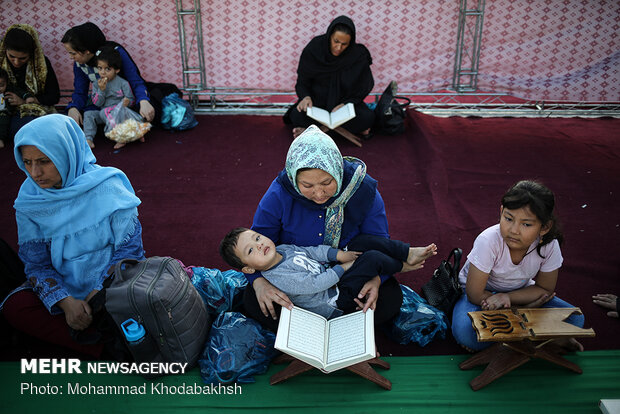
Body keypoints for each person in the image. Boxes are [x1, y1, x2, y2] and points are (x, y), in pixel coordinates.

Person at [244, 124, 436, 331]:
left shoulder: (361, 189)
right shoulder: (279, 194)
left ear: (337, 171)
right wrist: (258, 282)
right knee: (255, 302)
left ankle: (317, 325)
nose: (319, 194)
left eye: (327, 182)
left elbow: (378, 239)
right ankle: (342, 325)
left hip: (352, 267)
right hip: (296, 277)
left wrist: (376, 280)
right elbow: (258, 240)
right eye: (307, 186)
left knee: (388, 301)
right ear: (293, 177)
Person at [0, 114, 145, 358]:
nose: (35, 172)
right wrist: (66, 302)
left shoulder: (109, 186)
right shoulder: (29, 200)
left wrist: (98, 293)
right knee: (15, 307)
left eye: (44, 161)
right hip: (64, 288)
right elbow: (36, 264)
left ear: (66, 152)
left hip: (112, 285)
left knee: (136, 300)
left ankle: (89, 341)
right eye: (27, 162)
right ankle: (106, 347)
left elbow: (130, 252)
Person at [451, 180, 585, 352]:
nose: (514, 230)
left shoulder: (549, 245)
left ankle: (503, 338)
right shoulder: (488, 241)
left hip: (519, 294)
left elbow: (545, 289)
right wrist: (517, 308)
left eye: (526, 224)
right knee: (466, 333)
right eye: (508, 218)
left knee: (575, 319)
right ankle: (535, 334)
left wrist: (508, 299)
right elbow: (474, 294)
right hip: (483, 298)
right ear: (501, 212)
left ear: (544, 227)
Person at [221, 228, 435, 319]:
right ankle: (401, 266)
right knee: (371, 259)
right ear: (248, 269)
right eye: (250, 250)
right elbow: (316, 284)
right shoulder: (278, 277)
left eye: (257, 238)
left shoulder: (282, 249)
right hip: (334, 298)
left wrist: (338, 254)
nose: (259, 245)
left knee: (361, 243)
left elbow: (312, 251)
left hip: (333, 277)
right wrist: (344, 267)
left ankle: (406, 251)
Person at [283, 16, 375, 139]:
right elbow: (302, 81)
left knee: (367, 117)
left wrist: (346, 103)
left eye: (344, 44)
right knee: (297, 114)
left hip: (343, 107)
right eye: (336, 41)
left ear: (351, 42)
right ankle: (342, 132)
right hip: (316, 104)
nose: (338, 48)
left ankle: (311, 132)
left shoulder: (358, 55)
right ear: (329, 36)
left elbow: (364, 86)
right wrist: (305, 97)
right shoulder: (314, 49)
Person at [61, 22, 155, 137]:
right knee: (80, 116)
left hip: (125, 101)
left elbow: (135, 81)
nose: (71, 57)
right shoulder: (80, 64)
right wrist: (74, 107)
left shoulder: (115, 53)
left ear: (87, 51)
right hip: (103, 101)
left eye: (73, 53)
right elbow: (80, 91)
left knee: (147, 112)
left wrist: (143, 100)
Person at [0, 24, 60, 147]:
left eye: (22, 58)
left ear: (31, 54)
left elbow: (53, 96)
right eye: (11, 56)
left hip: (28, 112)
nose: (16, 62)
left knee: (28, 126)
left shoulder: (41, 64)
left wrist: (25, 101)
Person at [84, 46, 138, 149]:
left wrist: (128, 102)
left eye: (107, 69)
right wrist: (101, 90)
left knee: (105, 112)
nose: (103, 72)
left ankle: (121, 137)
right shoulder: (97, 84)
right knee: (89, 114)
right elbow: (97, 103)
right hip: (103, 112)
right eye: (100, 68)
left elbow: (131, 99)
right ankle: (88, 139)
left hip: (120, 113)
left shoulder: (123, 83)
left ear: (117, 70)